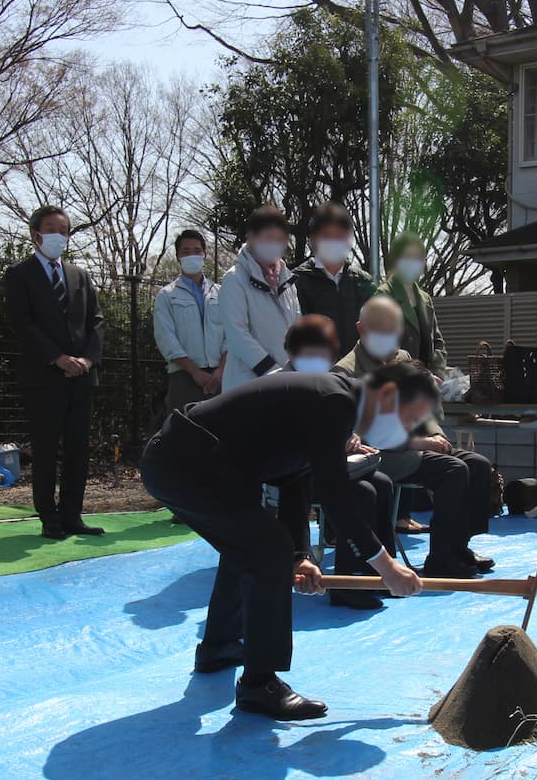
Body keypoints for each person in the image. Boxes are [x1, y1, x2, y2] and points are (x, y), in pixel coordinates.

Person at [140, 362, 432, 720]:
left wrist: (300, 555)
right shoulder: (334, 402)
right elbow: (336, 495)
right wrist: (386, 568)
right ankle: (259, 684)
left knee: (252, 546)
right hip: (186, 464)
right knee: (266, 550)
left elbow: (296, 481)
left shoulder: (337, 400)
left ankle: (218, 646)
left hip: (194, 463)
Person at [336, 296, 496, 578]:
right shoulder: (346, 372)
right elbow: (364, 436)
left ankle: (458, 546)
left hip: (415, 445)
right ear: (362, 329)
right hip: (379, 455)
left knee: (478, 464)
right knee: (453, 471)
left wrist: (436, 435)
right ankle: (442, 558)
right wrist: (421, 443)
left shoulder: (403, 359)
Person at [277, 314, 395, 610]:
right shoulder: (283, 384)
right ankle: (345, 581)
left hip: (321, 464)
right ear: (292, 353)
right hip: (291, 477)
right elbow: (299, 442)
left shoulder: (326, 381)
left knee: (382, 483)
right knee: (361, 494)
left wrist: (351, 438)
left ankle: (379, 571)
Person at [5, 204, 105, 540]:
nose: (59, 236)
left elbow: (96, 322)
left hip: (81, 377)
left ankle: (72, 514)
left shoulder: (80, 275)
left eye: (64, 230)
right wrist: (56, 357)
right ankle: (48, 516)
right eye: (51, 230)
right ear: (36, 234)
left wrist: (87, 360)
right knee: (46, 448)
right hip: (43, 377)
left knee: (78, 448)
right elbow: (23, 323)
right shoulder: (20, 275)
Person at [217, 205, 299, 391]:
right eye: (268, 237)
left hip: (284, 383)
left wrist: (292, 371)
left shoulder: (288, 280)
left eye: (279, 239)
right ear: (250, 237)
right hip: (246, 384)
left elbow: (297, 329)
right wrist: (272, 371)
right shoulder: (234, 278)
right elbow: (237, 335)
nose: (274, 244)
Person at [153, 229, 225, 412]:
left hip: (220, 376)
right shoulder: (167, 295)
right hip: (184, 377)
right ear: (178, 256)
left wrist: (221, 370)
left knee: (222, 432)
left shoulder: (221, 292)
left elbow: (232, 333)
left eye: (196, 250)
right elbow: (166, 339)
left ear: (204, 254)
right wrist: (195, 372)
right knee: (185, 433)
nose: (191, 255)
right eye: (185, 252)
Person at [293, 203, 376, 353]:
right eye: (326, 236)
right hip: (315, 369)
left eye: (339, 236)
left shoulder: (364, 281)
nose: (333, 242)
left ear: (349, 239)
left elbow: (376, 329)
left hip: (358, 370)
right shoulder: (297, 281)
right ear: (312, 239)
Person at [377, 233, 448, 378]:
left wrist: (437, 374)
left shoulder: (425, 298)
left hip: (428, 382)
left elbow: (438, 343)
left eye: (418, 258)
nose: (413, 263)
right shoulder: (384, 294)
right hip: (397, 380)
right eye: (408, 257)